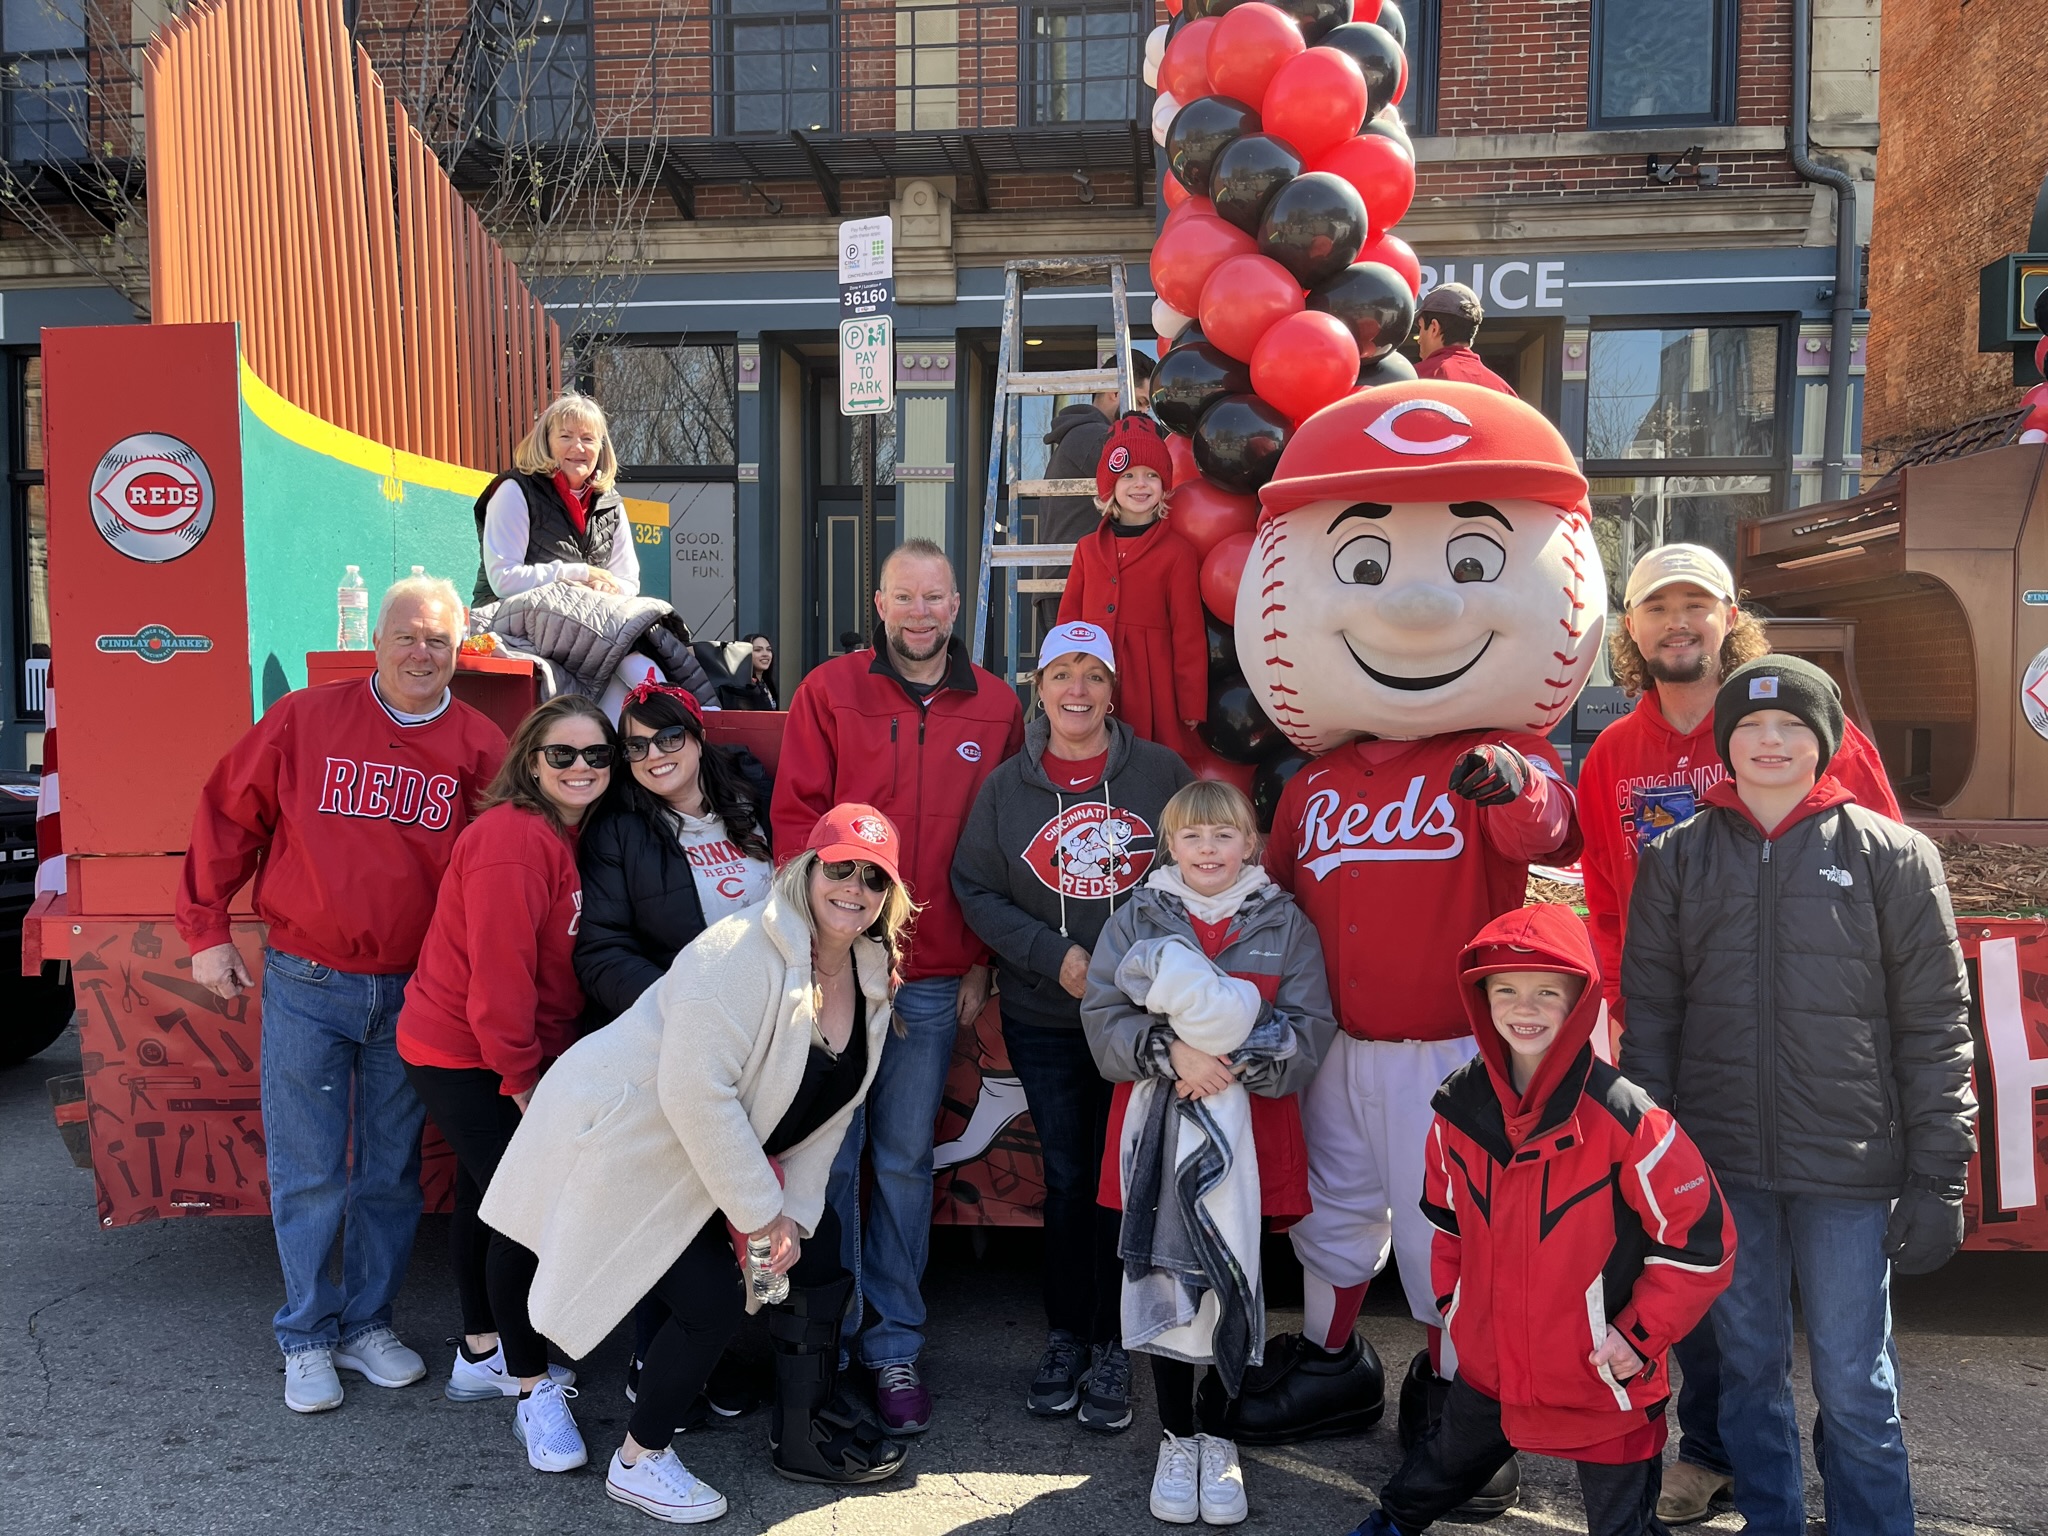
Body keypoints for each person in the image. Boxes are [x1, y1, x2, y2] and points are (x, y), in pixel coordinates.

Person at [1225, 386, 1604, 1519]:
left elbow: (1547, 828)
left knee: (1450, 1227)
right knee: (1335, 1212)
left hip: (1454, 1050)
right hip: (1337, 1044)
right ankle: (1334, 1364)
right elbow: (1275, 903)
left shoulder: (1492, 756)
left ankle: (1452, 1397)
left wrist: (1514, 782)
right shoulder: (1314, 784)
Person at [1575, 542, 1899, 1525]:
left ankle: (1845, 1490)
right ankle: (1712, 1451)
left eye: (1696, 605)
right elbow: (1604, 901)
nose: (1677, 624)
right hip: (1688, 1051)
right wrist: (1628, 1018)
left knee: (1843, 1340)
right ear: (1630, 629)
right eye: (1656, 608)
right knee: (1702, 1262)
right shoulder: (1611, 755)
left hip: (1810, 1052)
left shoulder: (1799, 724)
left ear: (1729, 616)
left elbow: (1884, 871)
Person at [1622, 657, 1977, 1536]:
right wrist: (1643, 1172)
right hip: (1721, 1168)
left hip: (1850, 1173)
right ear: (1725, 742)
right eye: (1749, 726)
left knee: (1856, 1382)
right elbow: (1652, 1027)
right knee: (1748, 1373)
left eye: (1791, 726)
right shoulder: (1676, 858)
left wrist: (1939, 1176)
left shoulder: (1896, 856)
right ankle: (1771, 1520)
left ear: (1824, 742)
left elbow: (1937, 1025)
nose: (1770, 741)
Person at [479, 806, 916, 1520]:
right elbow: (694, 1091)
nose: (854, 888)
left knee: (775, 1268)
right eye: (840, 868)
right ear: (806, 871)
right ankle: (592, 1429)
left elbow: (831, 1115)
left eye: (874, 879)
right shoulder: (740, 950)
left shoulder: (870, 975)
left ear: (888, 898)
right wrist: (761, 1214)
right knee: (541, 1238)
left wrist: (791, 1216)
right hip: (619, 1126)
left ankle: (680, 1435)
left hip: (697, 1146)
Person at [174, 575, 507, 1414]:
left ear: (459, 652)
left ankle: (367, 1326)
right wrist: (206, 930)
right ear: (376, 642)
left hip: (417, 992)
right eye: (407, 636)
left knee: (392, 1174)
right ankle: (307, 1336)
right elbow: (227, 815)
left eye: (438, 640)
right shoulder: (306, 719)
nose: (421, 653)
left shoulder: (479, 745)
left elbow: (502, 869)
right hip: (307, 979)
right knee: (310, 1171)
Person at [1349, 904, 1733, 1536]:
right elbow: (1445, 1226)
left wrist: (1638, 1337)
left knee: (1622, 1525)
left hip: (1602, 1376)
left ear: (1580, 1000)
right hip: (1491, 1368)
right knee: (1424, 1484)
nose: (1523, 1008)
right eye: (1505, 990)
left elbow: (1702, 1245)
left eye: (1546, 992)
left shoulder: (1630, 1119)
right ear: (1481, 999)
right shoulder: (1457, 1108)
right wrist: (1458, 1310)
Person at [772, 539, 1024, 1433]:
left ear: (957, 606)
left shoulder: (997, 705)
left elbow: (1004, 844)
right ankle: (826, 1340)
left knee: (904, 1162)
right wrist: (820, 947)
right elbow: (796, 823)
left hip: (935, 973)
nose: (920, 613)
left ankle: (893, 1345)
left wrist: (982, 956)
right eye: (904, 597)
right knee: (830, 1159)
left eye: (935, 598)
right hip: (842, 966)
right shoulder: (829, 691)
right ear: (879, 604)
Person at [951, 622, 1195, 1434]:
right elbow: (974, 887)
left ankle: (1117, 1343)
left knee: (1126, 1181)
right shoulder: (1006, 788)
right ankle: (1067, 1337)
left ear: (1113, 690)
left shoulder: (1160, 773)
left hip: (1140, 1020)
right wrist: (1050, 955)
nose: (1077, 690)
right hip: (1046, 1015)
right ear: (1040, 688)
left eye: (1093, 674)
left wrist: (1150, 962)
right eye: (1062, 673)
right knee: (1065, 1178)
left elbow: (1197, 871)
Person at [1081, 779, 1336, 1526]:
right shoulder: (1138, 916)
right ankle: (1177, 1436)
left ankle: (1219, 1435)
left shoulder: (1286, 922)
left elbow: (1309, 1027)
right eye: (1192, 836)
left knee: (1236, 1273)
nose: (1208, 849)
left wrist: (1230, 1062)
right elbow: (1102, 1017)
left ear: (1251, 844)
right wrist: (1171, 1054)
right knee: (1166, 1277)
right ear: (1171, 845)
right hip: (1157, 1132)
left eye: (1224, 835)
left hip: (1253, 1132)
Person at [396, 695, 612, 1468]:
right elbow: (499, 980)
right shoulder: (514, 841)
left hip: (492, 1050)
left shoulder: (559, 833)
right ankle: (530, 1390)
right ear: (530, 760)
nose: (582, 767)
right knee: (527, 1211)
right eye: (563, 753)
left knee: (487, 1199)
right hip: (470, 1055)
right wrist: (522, 1078)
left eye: (597, 755)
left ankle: (481, 1350)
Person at [577, 677, 775, 1422]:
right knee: (676, 1207)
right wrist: (683, 1007)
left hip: (772, 1032)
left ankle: (718, 1354)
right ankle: (653, 1362)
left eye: (668, 737)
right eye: (636, 747)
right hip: (680, 1039)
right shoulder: (619, 830)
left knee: (745, 1197)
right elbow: (600, 950)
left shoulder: (753, 800)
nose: (655, 755)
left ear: (696, 737)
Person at [473, 392, 662, 715]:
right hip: (512, 625)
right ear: (546, 442)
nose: (578, 447)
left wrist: (606, 587)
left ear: (601, 447)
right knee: (622, 660)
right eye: (566, 436)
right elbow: (503, 580)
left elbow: (629, 581)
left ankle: (675, 719)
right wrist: (579, 573)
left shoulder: (610, 502)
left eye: (588, 438)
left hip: (586, 629)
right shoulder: (515, 490)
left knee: (645, 652)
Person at [1057, 415, 1207, 762]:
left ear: (1164, 484)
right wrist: (1064, 678)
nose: (1140, 484)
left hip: (1151, 683)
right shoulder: (1087, 549)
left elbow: (1188, 633)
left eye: (1151, 475)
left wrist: (1191, 701)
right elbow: (1068, 621)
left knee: (1148, 763)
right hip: (1094, 677)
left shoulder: (1178, 553)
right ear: (1110, 486)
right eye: (1127, 476)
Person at [1035, 354, 1156, 632]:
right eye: (1140, 402)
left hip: (1076, 580)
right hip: (1071, 585)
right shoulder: (1090, 435)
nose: (1144, 414)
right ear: (1115, 393)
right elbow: (1142, 462)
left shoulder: (1084, 435)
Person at [1413, 284, 1515, 396]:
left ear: (1434, 328)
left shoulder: (1413, 380)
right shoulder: (1504, 392)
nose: (1419, 340)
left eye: (1421, 328)